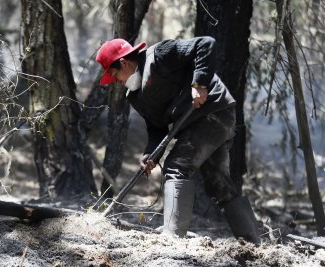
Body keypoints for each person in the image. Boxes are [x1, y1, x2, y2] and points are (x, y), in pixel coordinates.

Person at [95, 36, 261, 244]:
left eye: (114, 75)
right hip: (195, 125)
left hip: (214, 112)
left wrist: (199, 83)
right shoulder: (135, 96)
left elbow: (206, 44)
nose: (116, 82)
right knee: (219, 184)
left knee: (176, 166)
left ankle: (172, 239)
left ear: (123, 62)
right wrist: (150, 154)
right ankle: (254, 243)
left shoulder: (160, 55)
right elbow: (156, 127)